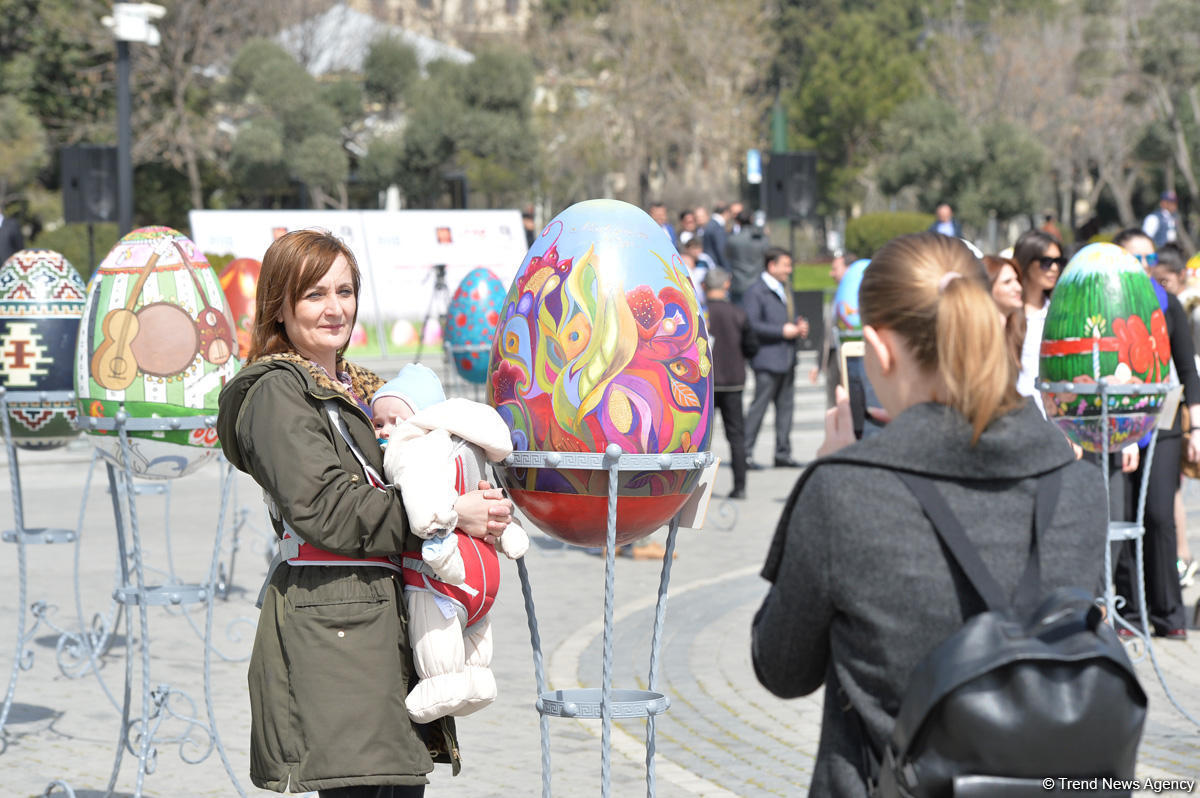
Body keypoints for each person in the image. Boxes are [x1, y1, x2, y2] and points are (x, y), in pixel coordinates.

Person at [751, 231, 1108, 797]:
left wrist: (839, 471)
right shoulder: (1082, 488)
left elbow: (782, 667)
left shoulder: (844, 493)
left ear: (879, 348)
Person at [217, 229, 513, 796]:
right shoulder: (279, 392)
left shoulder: (366, 390)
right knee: (363, 787)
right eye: (314, 295)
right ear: (279, 304)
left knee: (397, 785)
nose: (335, 309)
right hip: (333, 620)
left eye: (345, 291)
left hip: (382, 614)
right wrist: (452, 513)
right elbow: (326, 508)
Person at [372, 365, 528, 724]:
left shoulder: (415, 451)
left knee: (439, 631)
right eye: (378, 423)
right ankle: (466, 679)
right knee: (462, 634)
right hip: (477, 577)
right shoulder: (469, 451)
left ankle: (449, 681)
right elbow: (488, 498)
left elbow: (428, 500)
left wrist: (495, 524)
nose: (384, 431)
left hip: (441, 577)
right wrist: (506, 526)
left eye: (395, 420)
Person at [1112, 228, 1200, 640]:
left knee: (1159, 516)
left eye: (1148, 259)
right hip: (1115, 425)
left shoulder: (1168, 304)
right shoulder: (1105, 300)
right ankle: (1130, 610)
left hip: (1162, 424)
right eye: (1135, 257)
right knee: (1125, 515)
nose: (1144, 266)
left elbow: (1188, 369)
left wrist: (1195, 427)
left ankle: (1169, 614)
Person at [743, 247, 809, 470]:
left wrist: (798, 328)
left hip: (787, 358)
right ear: (772, 265)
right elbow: (751, 324)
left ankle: (783, 453)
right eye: (786, 265)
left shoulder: (784, 289)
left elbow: (788, 318)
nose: (789, 270)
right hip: (767, 359)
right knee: (758, 408)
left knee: (786, 409)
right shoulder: (756, 291)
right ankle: (745, 453)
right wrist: (782, 331)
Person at [703, 268, 758, 499]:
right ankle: (740, 486)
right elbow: (751, 347)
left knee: (703, 438)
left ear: (705, 287)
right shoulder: (738, 313)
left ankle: (697, 488)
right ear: (727, 285)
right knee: (736, 436)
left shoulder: (700, 315)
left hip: (705, 383)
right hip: (734, 381)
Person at [1013, 229, 1064, 415]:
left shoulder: (1061, 314)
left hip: (1056, 422)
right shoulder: (1006, 315)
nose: (1054, 268)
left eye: (1058, 262)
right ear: (1026, 262)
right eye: (1046, 262)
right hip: (1017, 419)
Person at [809, 250, 854, 408]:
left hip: (854, 356)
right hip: (834, 358)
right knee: (834, 405)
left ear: (849, 269)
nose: (831, 273)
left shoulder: (859, 295)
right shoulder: (837, 295)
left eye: (835, 268)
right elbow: (827, 332)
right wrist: (818, 363)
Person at [982, 253, 1025, 366]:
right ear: (988, 287)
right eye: (1007, 282)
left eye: (1017, 280)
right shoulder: (977, 336)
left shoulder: (1016, 328)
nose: (1018, 288)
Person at [723, 210, 769, 305]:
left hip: (738, 284)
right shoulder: (762, 240)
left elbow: (727, 257)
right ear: (752, 220)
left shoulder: (732, 240)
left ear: (738, 222)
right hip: (757, 282)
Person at [700, 203, 730, 271]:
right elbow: (721, 249)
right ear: (726, 212)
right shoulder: (717, 227)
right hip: (716, 266)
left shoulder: (710, 224)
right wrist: (727, 269)